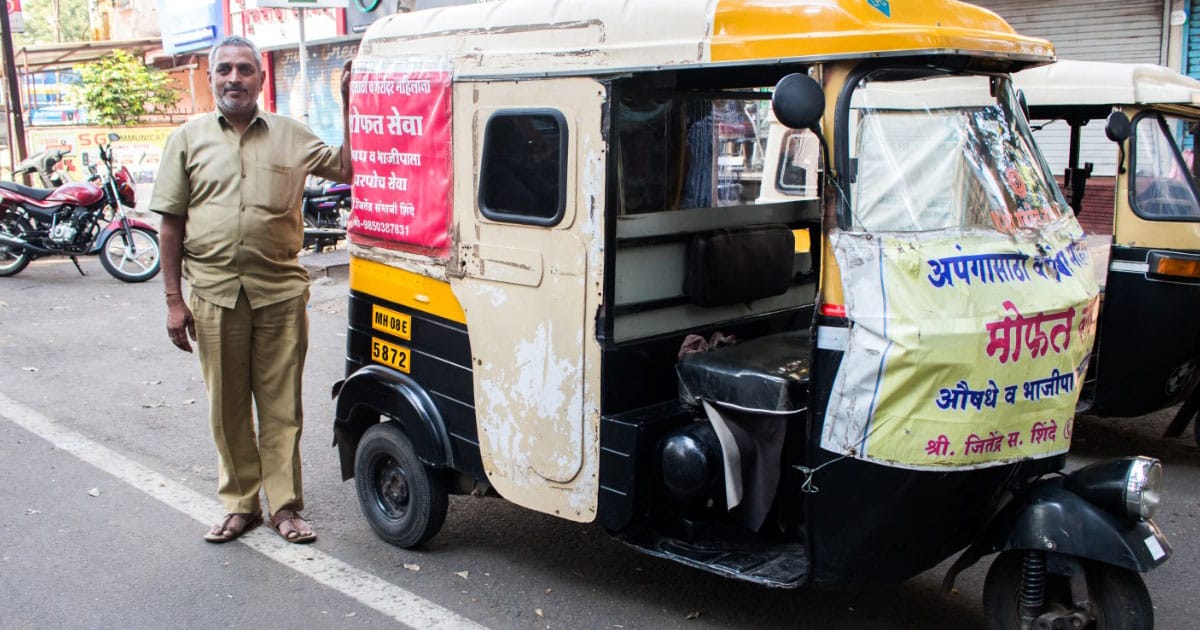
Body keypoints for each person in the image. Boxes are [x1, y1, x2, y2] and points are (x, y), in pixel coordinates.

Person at [152, 35, 353, 544]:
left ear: (261, 78)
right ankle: (242, 505)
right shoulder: (187, 139)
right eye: (224, 70)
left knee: (282, 406)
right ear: (210, 77)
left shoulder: (292, 134)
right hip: (214, 294)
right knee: (227, 406)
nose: (234, 78)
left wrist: (351, 102)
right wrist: (174, 302)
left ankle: (284, 507)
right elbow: (171, 225)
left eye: (244, 69)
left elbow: (347, 167)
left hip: (280, 293)